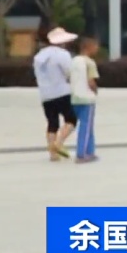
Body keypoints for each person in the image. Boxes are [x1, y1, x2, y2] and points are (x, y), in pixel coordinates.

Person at [33, 27, 78, 162]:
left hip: (45, 94)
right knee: (71, 119)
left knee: (52, 123)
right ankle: (58, 143)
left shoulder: (39, 56)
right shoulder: (62, 54)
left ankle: (52, 154)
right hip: (61, 92)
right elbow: (69, 72)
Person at [69, 36, 101, 163]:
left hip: (74, 97)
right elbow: (91, 81)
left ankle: (90, 151)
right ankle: (82, 154)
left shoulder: (73, 61)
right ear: (89, 47)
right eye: (96, 46)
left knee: (84, 126)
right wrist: (95, 90)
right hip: (87, 99)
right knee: (86, 127)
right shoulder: (89, 63)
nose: (97, 49)